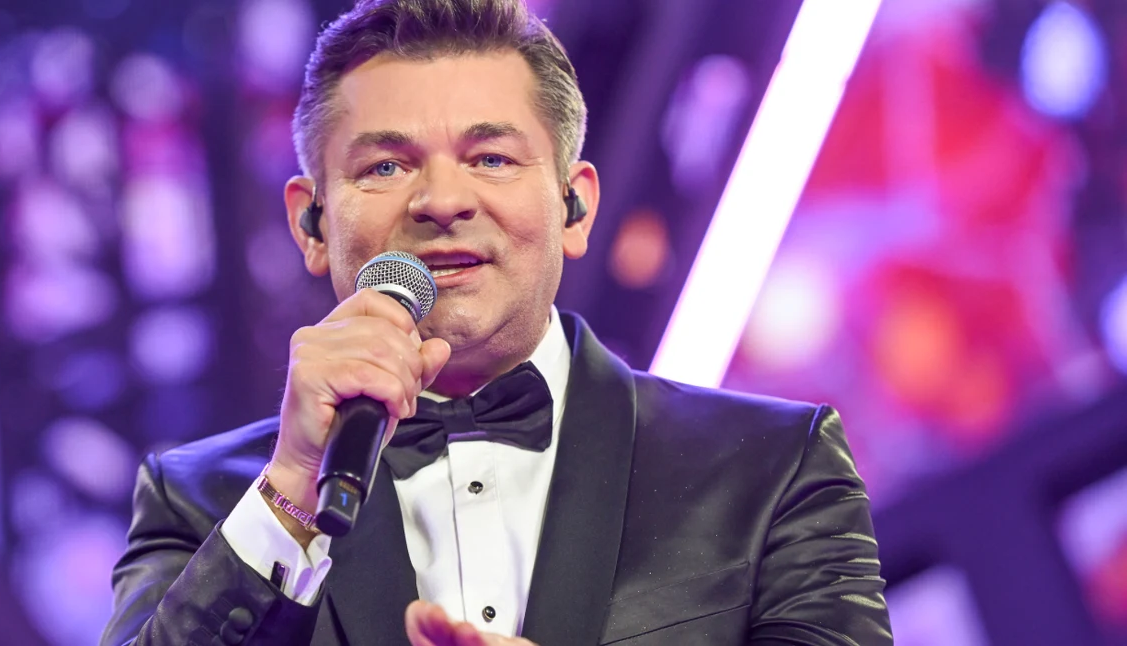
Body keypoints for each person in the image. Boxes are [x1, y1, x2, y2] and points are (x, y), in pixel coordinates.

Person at [100, 0, 892, 644]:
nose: (443, 200)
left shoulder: (775, 465)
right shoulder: (196, 500)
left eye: (491, 159)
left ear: (575, 206)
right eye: (386, 166)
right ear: (311, 225)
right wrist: (293, 495)